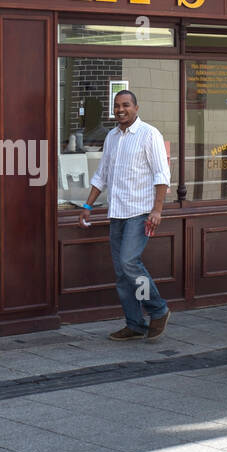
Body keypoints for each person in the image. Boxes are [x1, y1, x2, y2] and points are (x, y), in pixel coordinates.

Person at [78, 90, 172, 341]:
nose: (121, 109)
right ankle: (135, 323)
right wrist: (87, 206)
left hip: (140, 212)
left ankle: (158, 309)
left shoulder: (149, 134)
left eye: (126, 105)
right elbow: (102, 175)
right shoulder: (112, 137)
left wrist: (157, 210)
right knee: (122, 272)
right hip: (117, 212)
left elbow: (162, 175)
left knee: (130, 263)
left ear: (136, 108)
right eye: (117, 105)